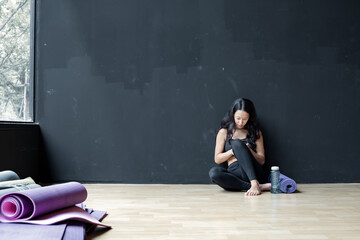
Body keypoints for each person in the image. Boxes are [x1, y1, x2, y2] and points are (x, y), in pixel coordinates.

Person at [209, 98, 271, 196]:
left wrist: (248, 150)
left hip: (254, 172)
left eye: (244, 119)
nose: (241, 122)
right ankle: (257, 186)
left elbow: (262, 160)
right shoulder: (224, 132)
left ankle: (254, 183)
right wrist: (233, 151)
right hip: (235, 174)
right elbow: (217, 159)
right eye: (238, 118)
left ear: (249, 117)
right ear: (232, 115)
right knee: (214, 173)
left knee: (237, 143)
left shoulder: (255, 132)